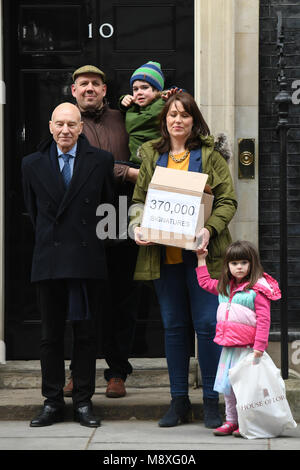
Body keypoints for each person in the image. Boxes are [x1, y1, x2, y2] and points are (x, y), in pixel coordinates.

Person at [129, 92, 238, 428]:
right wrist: (135, 225)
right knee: (174, 328)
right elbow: (138, 200)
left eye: (184, 115)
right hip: (164, 258)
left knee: (207, 328)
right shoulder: (152, 155)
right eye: (172, 115)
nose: (177, 120)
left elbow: (228, 201)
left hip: (204, 260)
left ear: (194, 121)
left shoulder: (209, 156)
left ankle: (210, 402)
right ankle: (178, 402)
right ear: (164, 121)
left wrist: (208, 230)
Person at [22, 102, 114, 427]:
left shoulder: (100, 161)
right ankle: (51, 401)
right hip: (48, 260)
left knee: (86, 334)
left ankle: (84, 402)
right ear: (50, 127)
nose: (65, 130)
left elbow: (107, 209)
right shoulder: (31, 165)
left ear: (80, 128)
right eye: (59, 124)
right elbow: (34, 213)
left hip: (86, 260)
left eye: (71, 124)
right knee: (50, 336)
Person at [66, 65, 140, 399]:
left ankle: (117, 372)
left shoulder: (123, 118)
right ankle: (77, 373)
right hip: (83, 219)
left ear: (105, 90)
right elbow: (80, 162)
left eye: (96, 83)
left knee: (120, 297)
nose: (90, 88)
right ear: (74, 91)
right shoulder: (65, 124)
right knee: (81, 299)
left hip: (123, 216)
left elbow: (158, 125)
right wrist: (126, 172)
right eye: (84, 84)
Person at [196, 240, 281, 437]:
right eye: (234, 263)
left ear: (252, 264)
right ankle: (231, 421)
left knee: (246, 389)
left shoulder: (258, 290)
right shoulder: (225, 288)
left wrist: (260, 346)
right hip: (229, 349)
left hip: (248, 350)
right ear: (227, 266)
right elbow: (204, 282)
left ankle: (246, 422)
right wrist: (201, 258)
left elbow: (264, 320)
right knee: (229, 389)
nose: (239, 267)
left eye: (243, 262)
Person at [120, 60, 179, 164]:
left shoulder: (163, 105)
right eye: (135, 89)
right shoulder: (134, 107)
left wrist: (170, 96)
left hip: (158, 162)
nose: (139, 93)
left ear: (157, 91)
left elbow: (150, 117)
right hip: (136, 162)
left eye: (145, 87)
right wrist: (123, 101)